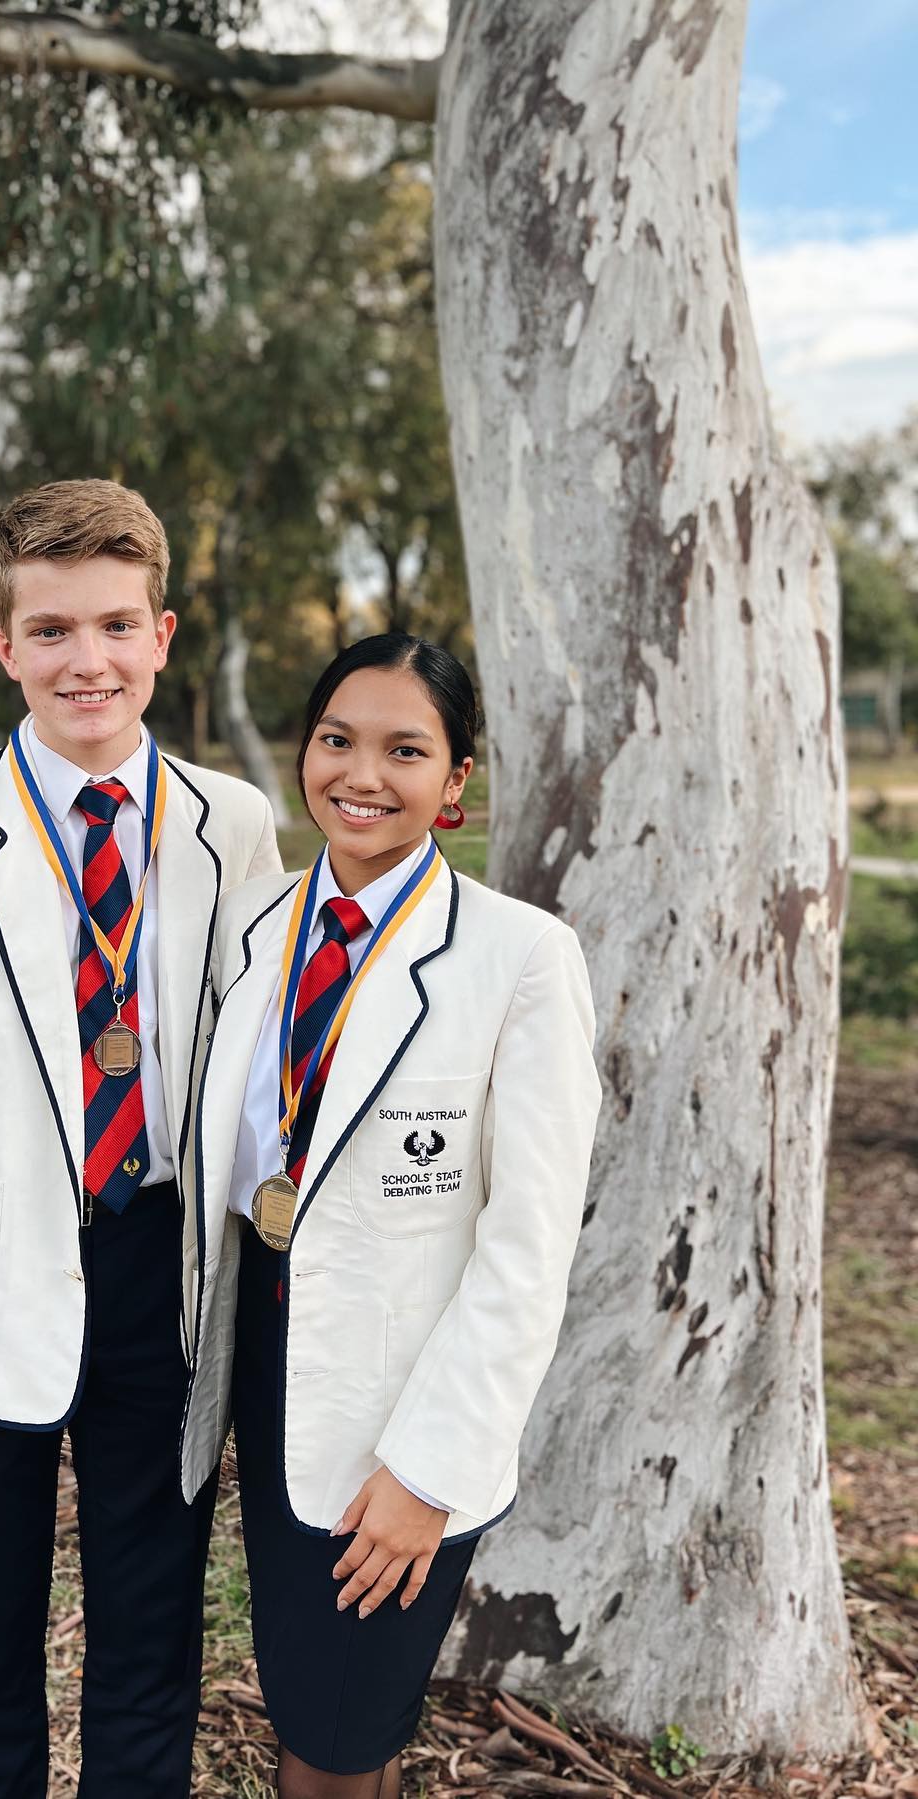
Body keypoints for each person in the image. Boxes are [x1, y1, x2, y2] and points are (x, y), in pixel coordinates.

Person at [0, 478, 282, 1797]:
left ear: (163, 635)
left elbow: (253, 1069)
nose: (87, 658)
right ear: (2, 646)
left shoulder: (231, 822)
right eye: (51, 629)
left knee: (153, 1641)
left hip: (164, 1280)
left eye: (115, 624)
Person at [182, 633, 602, 1798]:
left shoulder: (520, 956)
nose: (362, 773)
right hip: (265, 1344)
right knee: (299, 1673)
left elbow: (528, 1245)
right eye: (337, 739)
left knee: (342, 1718)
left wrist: (430, 1466)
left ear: (457, 780)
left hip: (403, 1390)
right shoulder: (259, 931)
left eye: (406, 748)